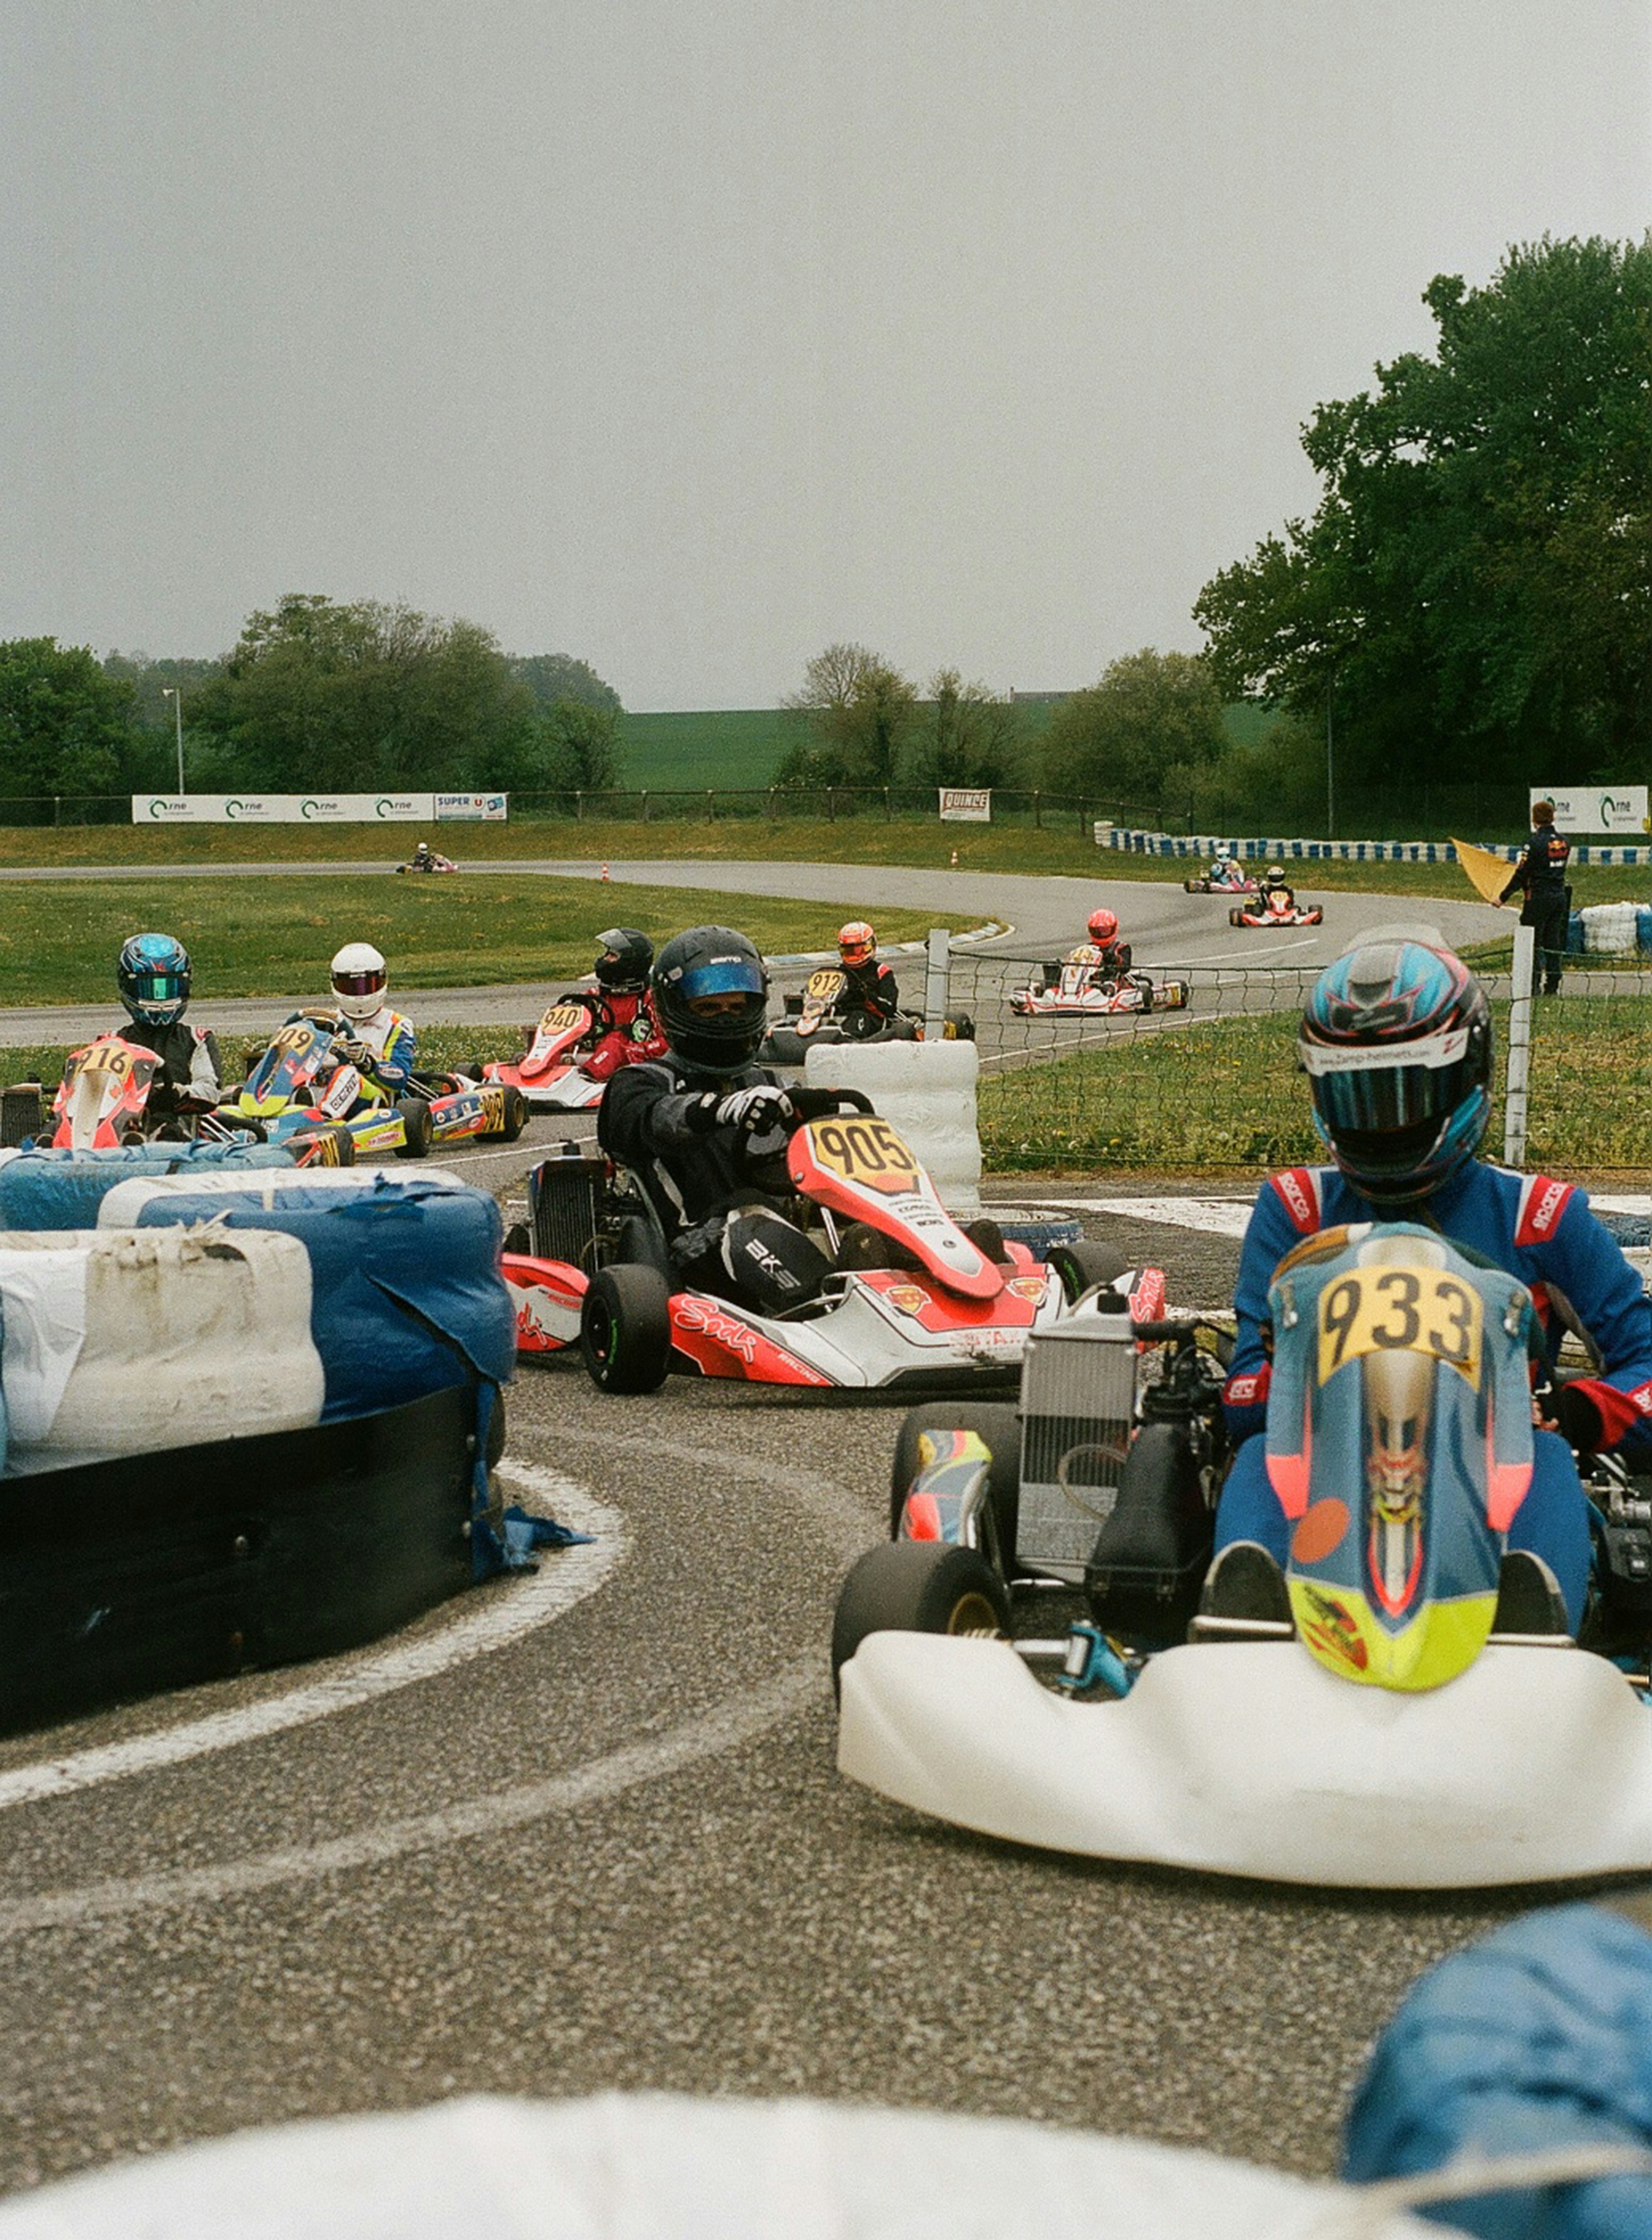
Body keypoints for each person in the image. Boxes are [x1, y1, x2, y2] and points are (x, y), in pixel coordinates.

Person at [1206, 934, 1652, 1635]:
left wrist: (1577, 1411)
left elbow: (1645, 1362)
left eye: (1403, 1090)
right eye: (1357, 1096)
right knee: (1264, 1451)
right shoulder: (1294, 1210)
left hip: (1492, 1470)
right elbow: (1241, 1394)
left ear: (1464, 1072)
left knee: (1543, 1458)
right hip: (1325, 1472)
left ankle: (1530, 1638)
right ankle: (1243, 1631)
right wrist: (1283, 1371)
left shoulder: (1538, 1218)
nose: (1381, 1122)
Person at [598, 925, 833, 1314]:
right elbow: (653, 1119)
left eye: (737, 1008)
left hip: (783, 1232)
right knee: (748, 1209)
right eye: (709, 1008)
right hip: (696, 1245)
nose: (725, 1019)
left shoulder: (771, 1083)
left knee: (860, 1223)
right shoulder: (640, 1082)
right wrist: (720, 1109)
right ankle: (817, 1307)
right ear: (673, 1009)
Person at [114, 933, 221, 1114]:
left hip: (182, 1132)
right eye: (150, 988)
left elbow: (210, 1091)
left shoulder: (196, 1039)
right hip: (122, 1130)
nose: (160, 999)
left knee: (172, 1131)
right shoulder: (114, 1043)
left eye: (168, 987)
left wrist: (177, 1092)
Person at [316, 941, 417, 1101]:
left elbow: (399, 1076)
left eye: (367, 985)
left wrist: (367, 1063)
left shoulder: (397, 1024)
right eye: (350, 986)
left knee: (347, 1074)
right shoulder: (323, 1022)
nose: (360, 996)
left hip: (373, 1101)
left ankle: (322, 1118)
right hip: (321, 1088)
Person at [1497, 796, 1572, 995]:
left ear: (1534, 819)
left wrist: (1503, 897)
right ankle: (1553, 985)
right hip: (1559, 897)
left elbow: (1522, 873)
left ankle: (1532, 985)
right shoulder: (1565, 842)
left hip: (1538, 898)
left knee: (1531, 943)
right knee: (1553, 942)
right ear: (1553, 817)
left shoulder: (1534, 844)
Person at [577, 928, 667, 1082]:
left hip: (633, 1065)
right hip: (590, 1054)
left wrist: (636, 1050)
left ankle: (585, 1078)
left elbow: (667, 1043)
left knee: (615, 1042)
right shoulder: (594, 997)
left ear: (629, 963)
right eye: (607, 954)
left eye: (612, 956)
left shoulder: (651, 999)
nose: (604, 960)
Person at [832, 921, 901, 1034]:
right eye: (849, 950)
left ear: (871, 945)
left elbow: (889, 1008)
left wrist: (866, 994)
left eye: (859, 949)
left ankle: (846, 1039)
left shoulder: (881, 972)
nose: (855, 954)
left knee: (857, 1017)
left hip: (871, 1020)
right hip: (839, 1017)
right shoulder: (837, 973)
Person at [1079, 908, 1133, 982]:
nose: (1101, 934)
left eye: (1105, 931)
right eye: (1097, 931)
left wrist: (1113, 959)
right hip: (1089, 983)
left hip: (1113, 985)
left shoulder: (1122, 948)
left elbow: (1125, 967)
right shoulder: (1087, 949)